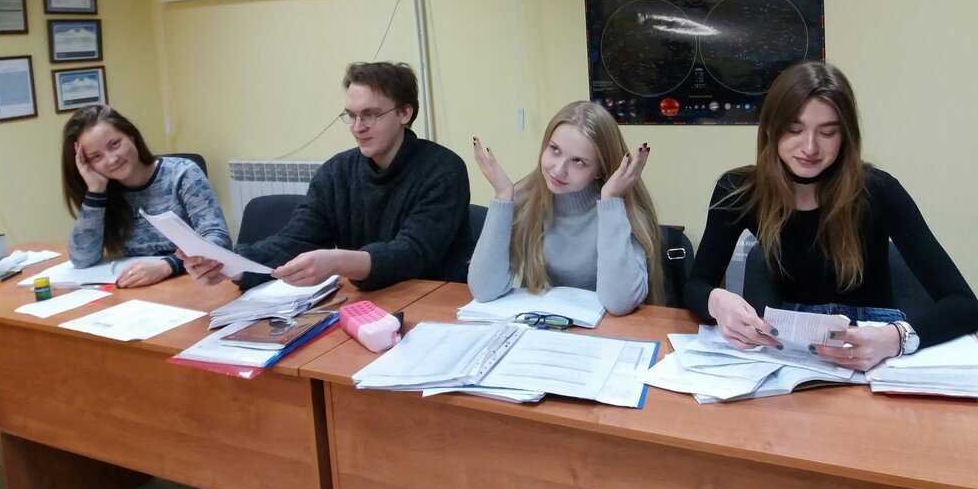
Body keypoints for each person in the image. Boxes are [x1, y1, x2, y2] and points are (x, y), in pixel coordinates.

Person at [684, 61, 978, 371]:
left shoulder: (879, 191)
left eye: (827, 132)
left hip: (872, 353)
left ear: (845, 136)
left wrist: (895, 338)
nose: (810, 147)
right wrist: (717, 301)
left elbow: (964, 306)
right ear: (770, 129)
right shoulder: (738, 191)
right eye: (794, 130)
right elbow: (696, 285)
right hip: (792, 355)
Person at [183, 61, 472, 291]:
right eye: (351, 115)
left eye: (370, 115)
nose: (357, 127)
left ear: (405, 113)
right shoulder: (336, 172)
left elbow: (412, 253)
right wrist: (232, 266)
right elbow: (296, 240)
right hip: (367, 305)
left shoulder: (442, 170)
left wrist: (338, 261)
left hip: (433, 303)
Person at [469, 100, 663, 316]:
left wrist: (610, 201)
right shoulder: (526, 199)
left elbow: (619, 303)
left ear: (600, 170)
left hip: (606, 330)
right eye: (554, 150)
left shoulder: (621, 211)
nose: (559, 170)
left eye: (578, 161)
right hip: (539, 327)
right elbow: (484, 290)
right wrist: (503, 196)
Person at [62, 105, 231, 288]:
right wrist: (95, 192)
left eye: (115, 144)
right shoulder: (104, 193)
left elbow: (217, 240)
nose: (111, 159)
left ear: (131, 135)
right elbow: (82, 259)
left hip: (192, 284)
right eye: (96, 157)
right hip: (137, 288)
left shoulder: (182, 173)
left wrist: (167, 266)